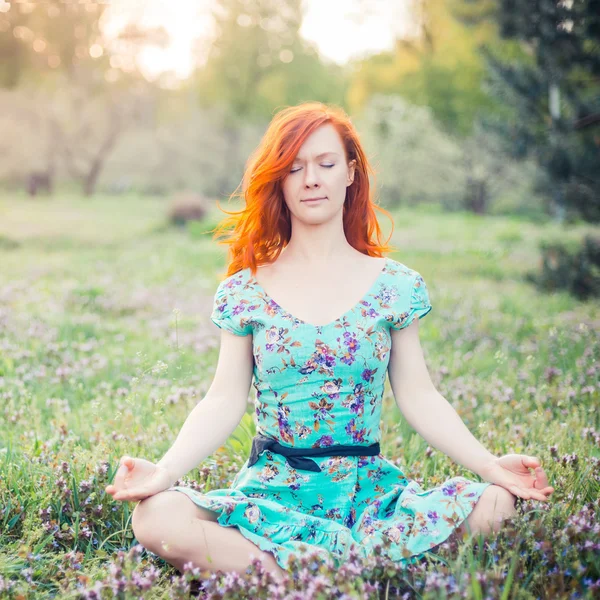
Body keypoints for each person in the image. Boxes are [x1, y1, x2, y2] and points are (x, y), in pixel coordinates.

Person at [105, 102, 554, 583]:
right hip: (273, 493)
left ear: (350, 173)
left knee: (497, 505)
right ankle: (339, 578)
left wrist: (489, 466)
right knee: (155, 518)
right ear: (278, 180)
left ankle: (302, 578)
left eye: (325, 163)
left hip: (368, 493)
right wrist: (165, 473)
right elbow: (223, 399)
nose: (311, 179)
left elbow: (420, 396)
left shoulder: (394, 286)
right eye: (293, 168)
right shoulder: (245, 290)